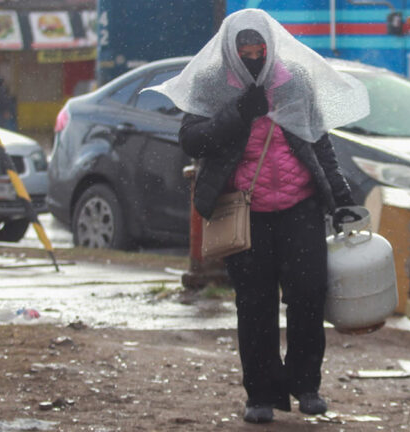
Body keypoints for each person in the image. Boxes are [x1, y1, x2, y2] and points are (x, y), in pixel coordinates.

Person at [148, 8, 370, 424]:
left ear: (271, 46)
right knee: (255, 305)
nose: (252, 54)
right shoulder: (212, 83)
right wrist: (238, 113)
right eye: (244, 47)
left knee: (308, 296)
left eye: (259, 47)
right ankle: (261, 394)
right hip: (244, 212)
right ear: (230, 48)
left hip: (300, 207)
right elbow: (192, 141)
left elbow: (319, 142)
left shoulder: (296, 82)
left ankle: (306, 385)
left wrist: (340, 200)